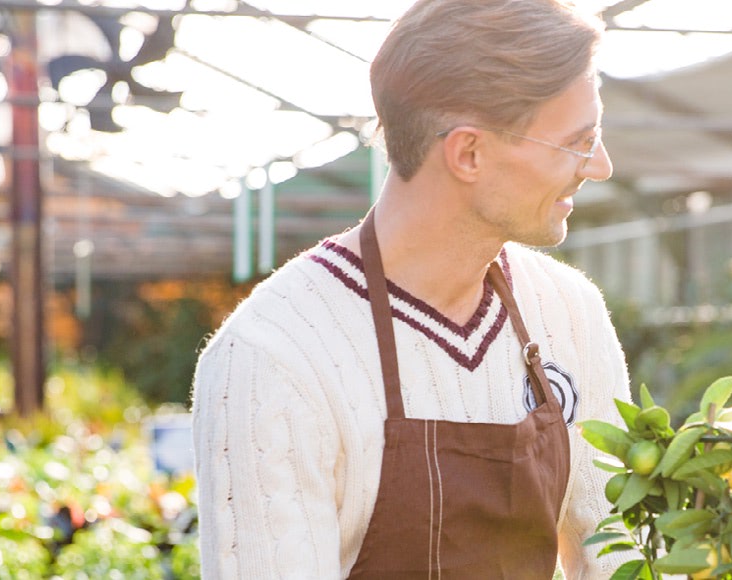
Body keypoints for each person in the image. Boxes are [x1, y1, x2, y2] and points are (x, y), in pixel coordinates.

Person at [190, 0, 632, 577]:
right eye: (578, 140)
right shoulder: (274, 356)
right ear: (468, 153)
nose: (599, 166)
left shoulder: (569, 313)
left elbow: (619, 548)